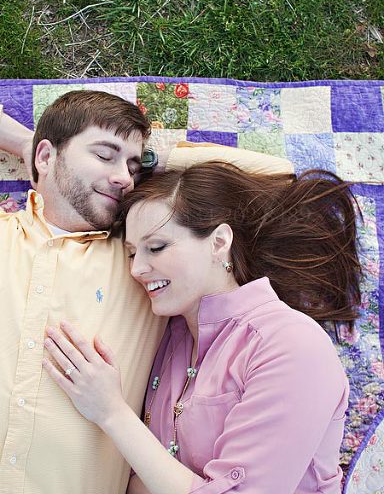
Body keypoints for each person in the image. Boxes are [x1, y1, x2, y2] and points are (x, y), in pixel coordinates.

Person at [0, 81, 293, 494]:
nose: (124, 179)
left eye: (135, 167)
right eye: (104, 155)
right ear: (47, 155)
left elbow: (280, 179)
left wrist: (160, 162)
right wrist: (28, 146)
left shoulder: (142, 264)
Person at [43, 162, 361, 493]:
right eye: (132, 253)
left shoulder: (291, 344)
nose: (137, 269)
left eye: (156, 247)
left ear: (219, 242)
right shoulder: (169, 338)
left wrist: (111, 412)